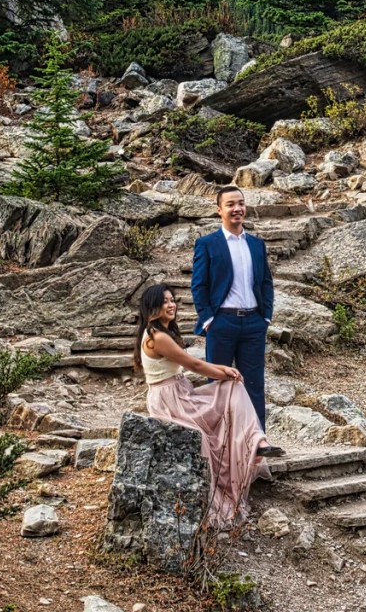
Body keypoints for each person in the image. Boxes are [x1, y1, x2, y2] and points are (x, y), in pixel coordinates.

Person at [134, 282, 270, 529]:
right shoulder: (158, 338)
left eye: (172, 300)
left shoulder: (160, 333)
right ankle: (252, 444)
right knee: (224, 399)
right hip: (170, 400)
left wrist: (224, 370)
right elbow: (194, 365)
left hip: (179, 392)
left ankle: (256, 441)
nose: (171, 305)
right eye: (165, 301)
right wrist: (223, 372)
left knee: (232, 388)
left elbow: (192, 364)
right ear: (152, 307)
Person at [191, 185, 282, 453]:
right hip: (222, 322)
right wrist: (208, 320)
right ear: (219, 210)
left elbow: (265, 282)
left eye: (240, 203)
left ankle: (257, 440)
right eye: (230, 204)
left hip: (253, 322)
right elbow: (199, 285)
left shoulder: (256, 244)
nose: (237, 208)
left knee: (254, 384)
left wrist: (266, 317)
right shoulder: (207, 244)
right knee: (218, 384)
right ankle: (219, 441)